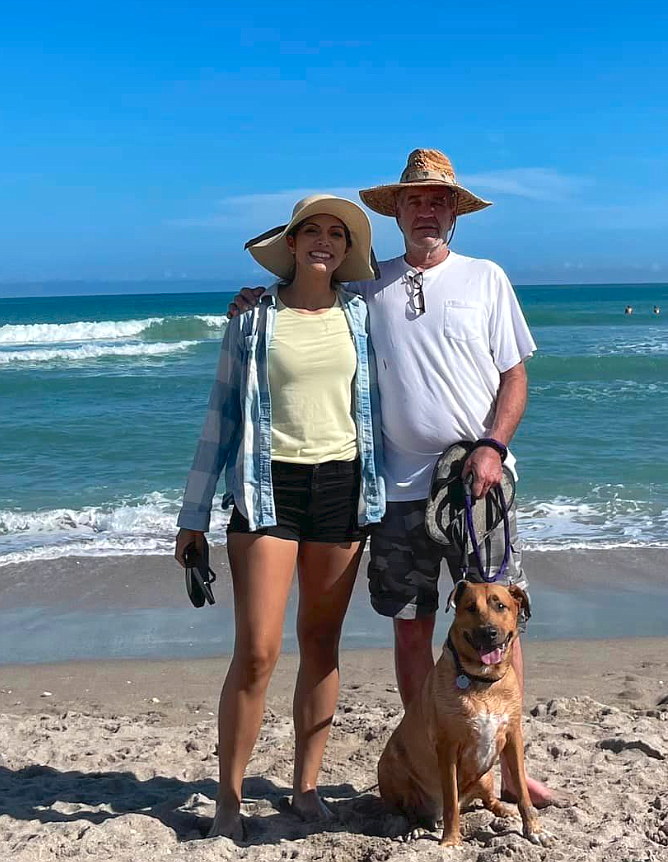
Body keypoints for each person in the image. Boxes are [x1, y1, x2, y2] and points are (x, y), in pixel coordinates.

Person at [229, 150, 568, 809]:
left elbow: (516, 378)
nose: (428, 211)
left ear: (454, 213)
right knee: (411, 626)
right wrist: (255, 300)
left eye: (439, 200)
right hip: (394, 492)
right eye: (416, 201)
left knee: (500, 624)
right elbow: (310, 298)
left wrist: (495, 446)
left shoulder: (487, 279)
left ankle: (505, 771)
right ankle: (431, 756)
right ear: (398, 212)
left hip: (479, 489)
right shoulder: (369, 290)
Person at [176, 194, 385, 840]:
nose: (324, 241)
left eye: (336, 234)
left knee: (321, 646)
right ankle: (230, 802)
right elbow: (221, 415)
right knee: (259, 652)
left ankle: (306, 788)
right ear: (291, 244)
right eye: (311, 231)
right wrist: (193, 514)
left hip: (343, 489)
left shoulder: (364, 316)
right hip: (266, 492)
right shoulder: (252, 319)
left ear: (346, 251)